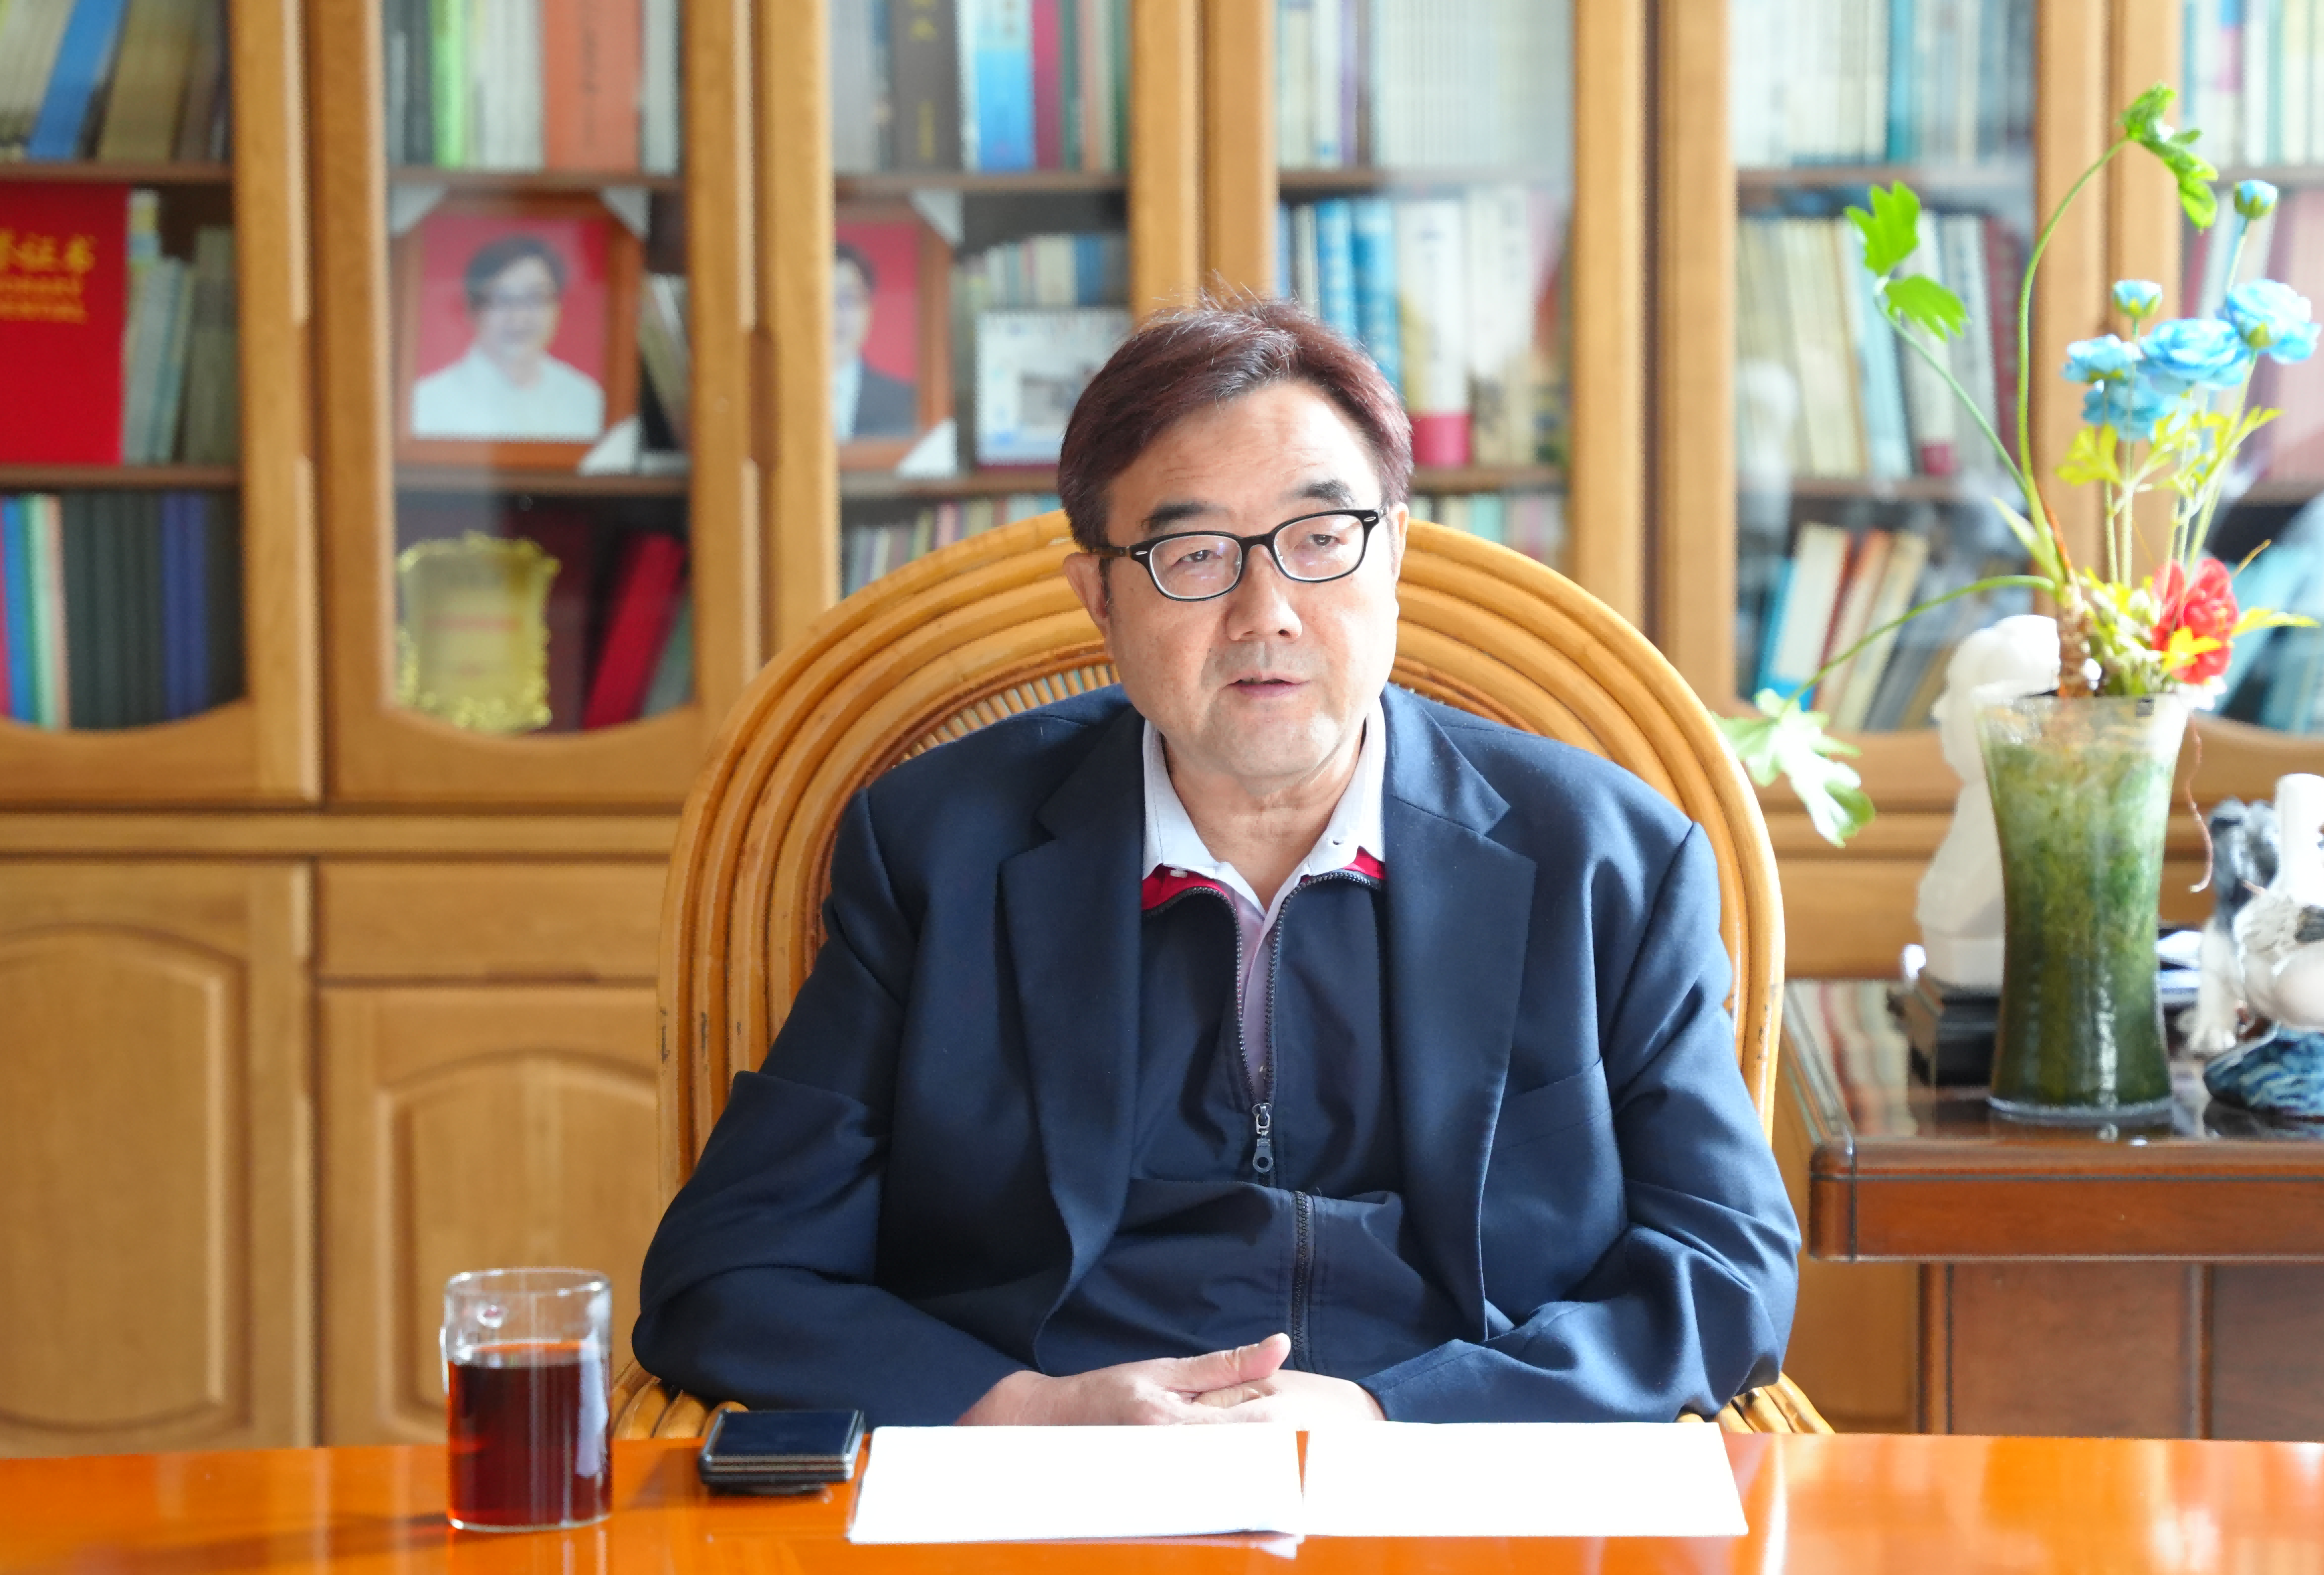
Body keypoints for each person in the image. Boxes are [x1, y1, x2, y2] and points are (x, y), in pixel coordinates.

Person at [634, 299, 1799, 1426]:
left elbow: (1726, 1268)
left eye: (1319, 540)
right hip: (1056, 1492)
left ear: (1394, 553)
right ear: (1096, 595)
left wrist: (1393, 1417)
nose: (1266, 613)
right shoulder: (939, 850)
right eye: (1192, 554)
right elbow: (728, 1271)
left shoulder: (1604, 860)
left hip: (1450, 1473)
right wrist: (1025, 1415)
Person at [411, 234, 608, 442]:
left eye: (535, 298)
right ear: (472, 311)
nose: (519, 317)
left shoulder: (587, 401)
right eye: (502, 300)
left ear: (557, 309)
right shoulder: (425, 405)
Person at [835, 241, 920, 440]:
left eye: (847, 299)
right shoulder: (771, 398)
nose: (833, 315)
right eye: (817, 300)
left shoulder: (907, 403)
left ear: (869, 310)